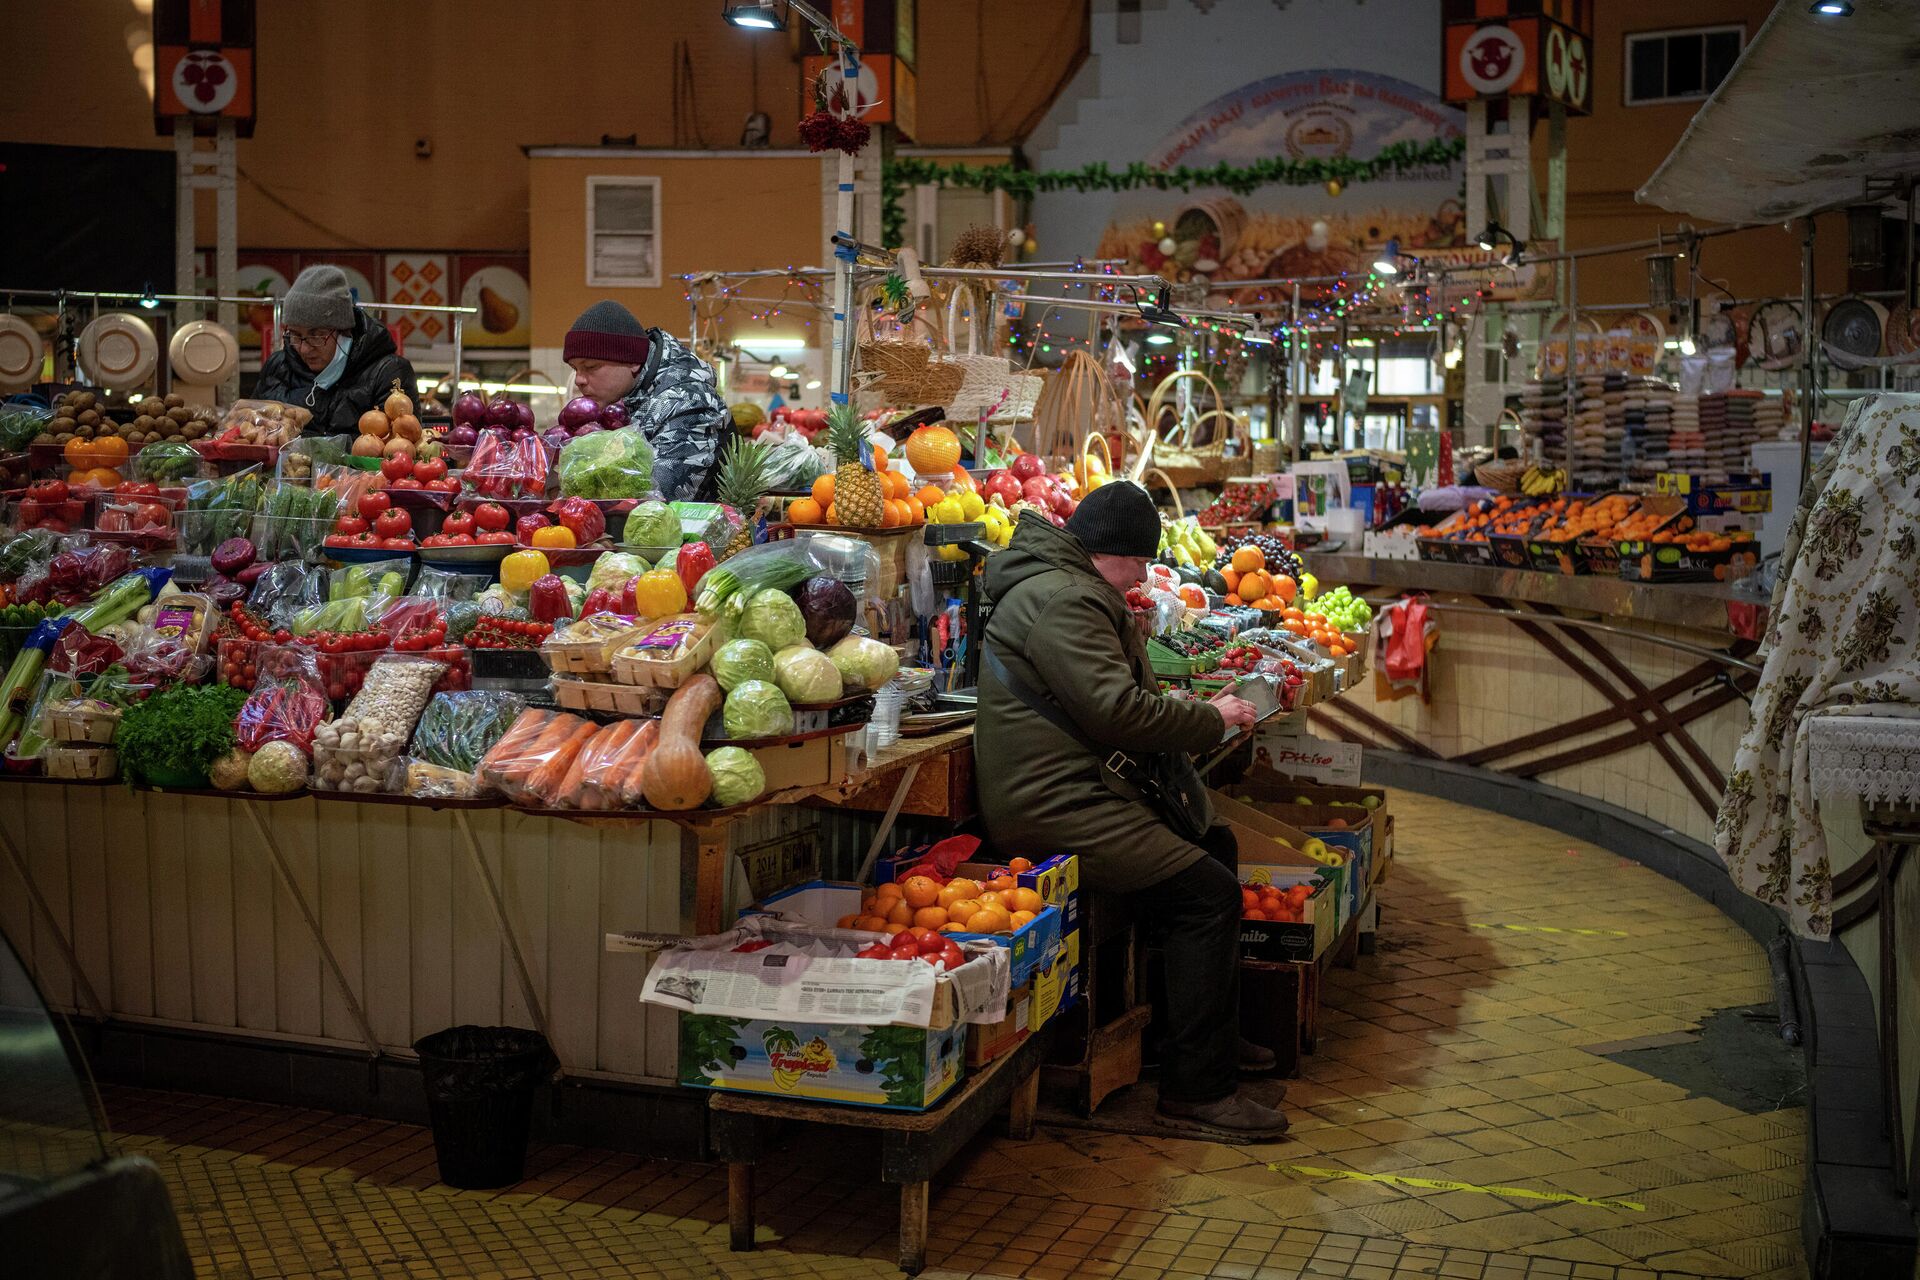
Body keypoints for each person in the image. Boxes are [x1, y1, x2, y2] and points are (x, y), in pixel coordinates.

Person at [975, 481, 1286, 1138]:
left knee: (1213, 847)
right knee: (1207, 894)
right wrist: (1210, 718)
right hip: (1057, 805)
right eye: (1140, 561)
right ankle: (1197, 1093)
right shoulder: (1065, 598)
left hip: (1085, 787)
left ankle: (1202, 1043)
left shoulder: (1067, 587)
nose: (1143, 576)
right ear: (1111, 551)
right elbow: (1115, 710)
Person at [563, 300, 728, 501]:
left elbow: (659, 495)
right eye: (575, 368)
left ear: (632, 361)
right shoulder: (627, 396)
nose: (579, 379)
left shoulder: (686, 401)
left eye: (590, 366)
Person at [252, 265, 418, 436]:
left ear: (344, 330)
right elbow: (252, 432)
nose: (304, 348)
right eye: (295, 335)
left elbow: (399, 446)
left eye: (316, 336)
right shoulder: (277, 367)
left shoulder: (388, 373)